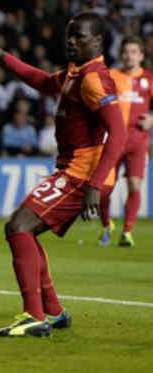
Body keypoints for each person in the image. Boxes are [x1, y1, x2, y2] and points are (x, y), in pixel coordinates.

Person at [0, 11, 127, 337]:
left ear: (97, 42)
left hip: (83, 175)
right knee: (23, 228)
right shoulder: (76, 72)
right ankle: (52, 311)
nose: (71, 41)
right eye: (69, 35)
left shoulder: (94, 79)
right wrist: (1, 56)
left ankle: (34, 315)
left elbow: (120, 133)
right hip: (72, 171)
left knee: (18, 226)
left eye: (79, 37)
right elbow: (42, 81)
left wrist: (95, 185)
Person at [98, 36, 153, 247]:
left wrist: (152, 119)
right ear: (121, 54)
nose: (129, 55)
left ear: (141, 55)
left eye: (133, 51)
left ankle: (127, 231)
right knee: (104, 187)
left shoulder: (149, 79)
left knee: (134, 185)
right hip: (113, 140)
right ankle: (106, 223)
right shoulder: (112, 76)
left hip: (138, 141)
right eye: (126, 51)